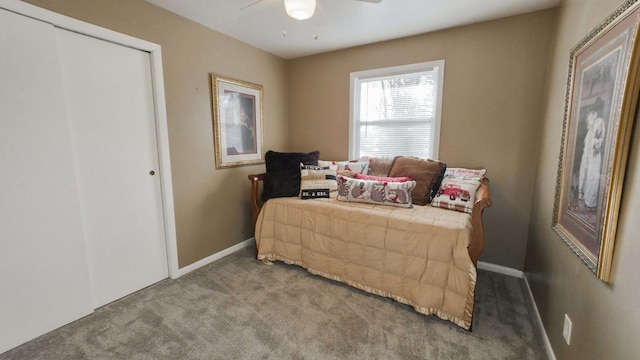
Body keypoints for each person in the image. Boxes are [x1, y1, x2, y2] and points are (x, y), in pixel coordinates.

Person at [578, 107, 605, 210]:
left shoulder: (600, 122)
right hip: (588, 153)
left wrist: (595, 145)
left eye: (591, 119)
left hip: (594, 154)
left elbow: (598, 140)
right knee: (586, 172)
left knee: (593, 176)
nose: (589, 121)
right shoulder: (589, 131)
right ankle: (583, 193)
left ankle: (590, 200)